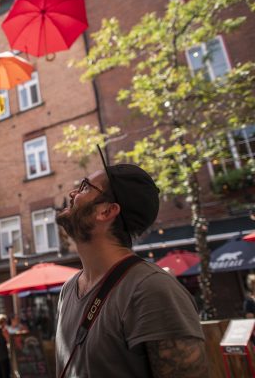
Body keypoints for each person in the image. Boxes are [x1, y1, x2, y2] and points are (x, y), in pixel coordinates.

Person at [54, 155, 207, 377]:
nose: (73, 193)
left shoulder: (151, 290)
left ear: (106, 211)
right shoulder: (69, 288)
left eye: (85, 187)